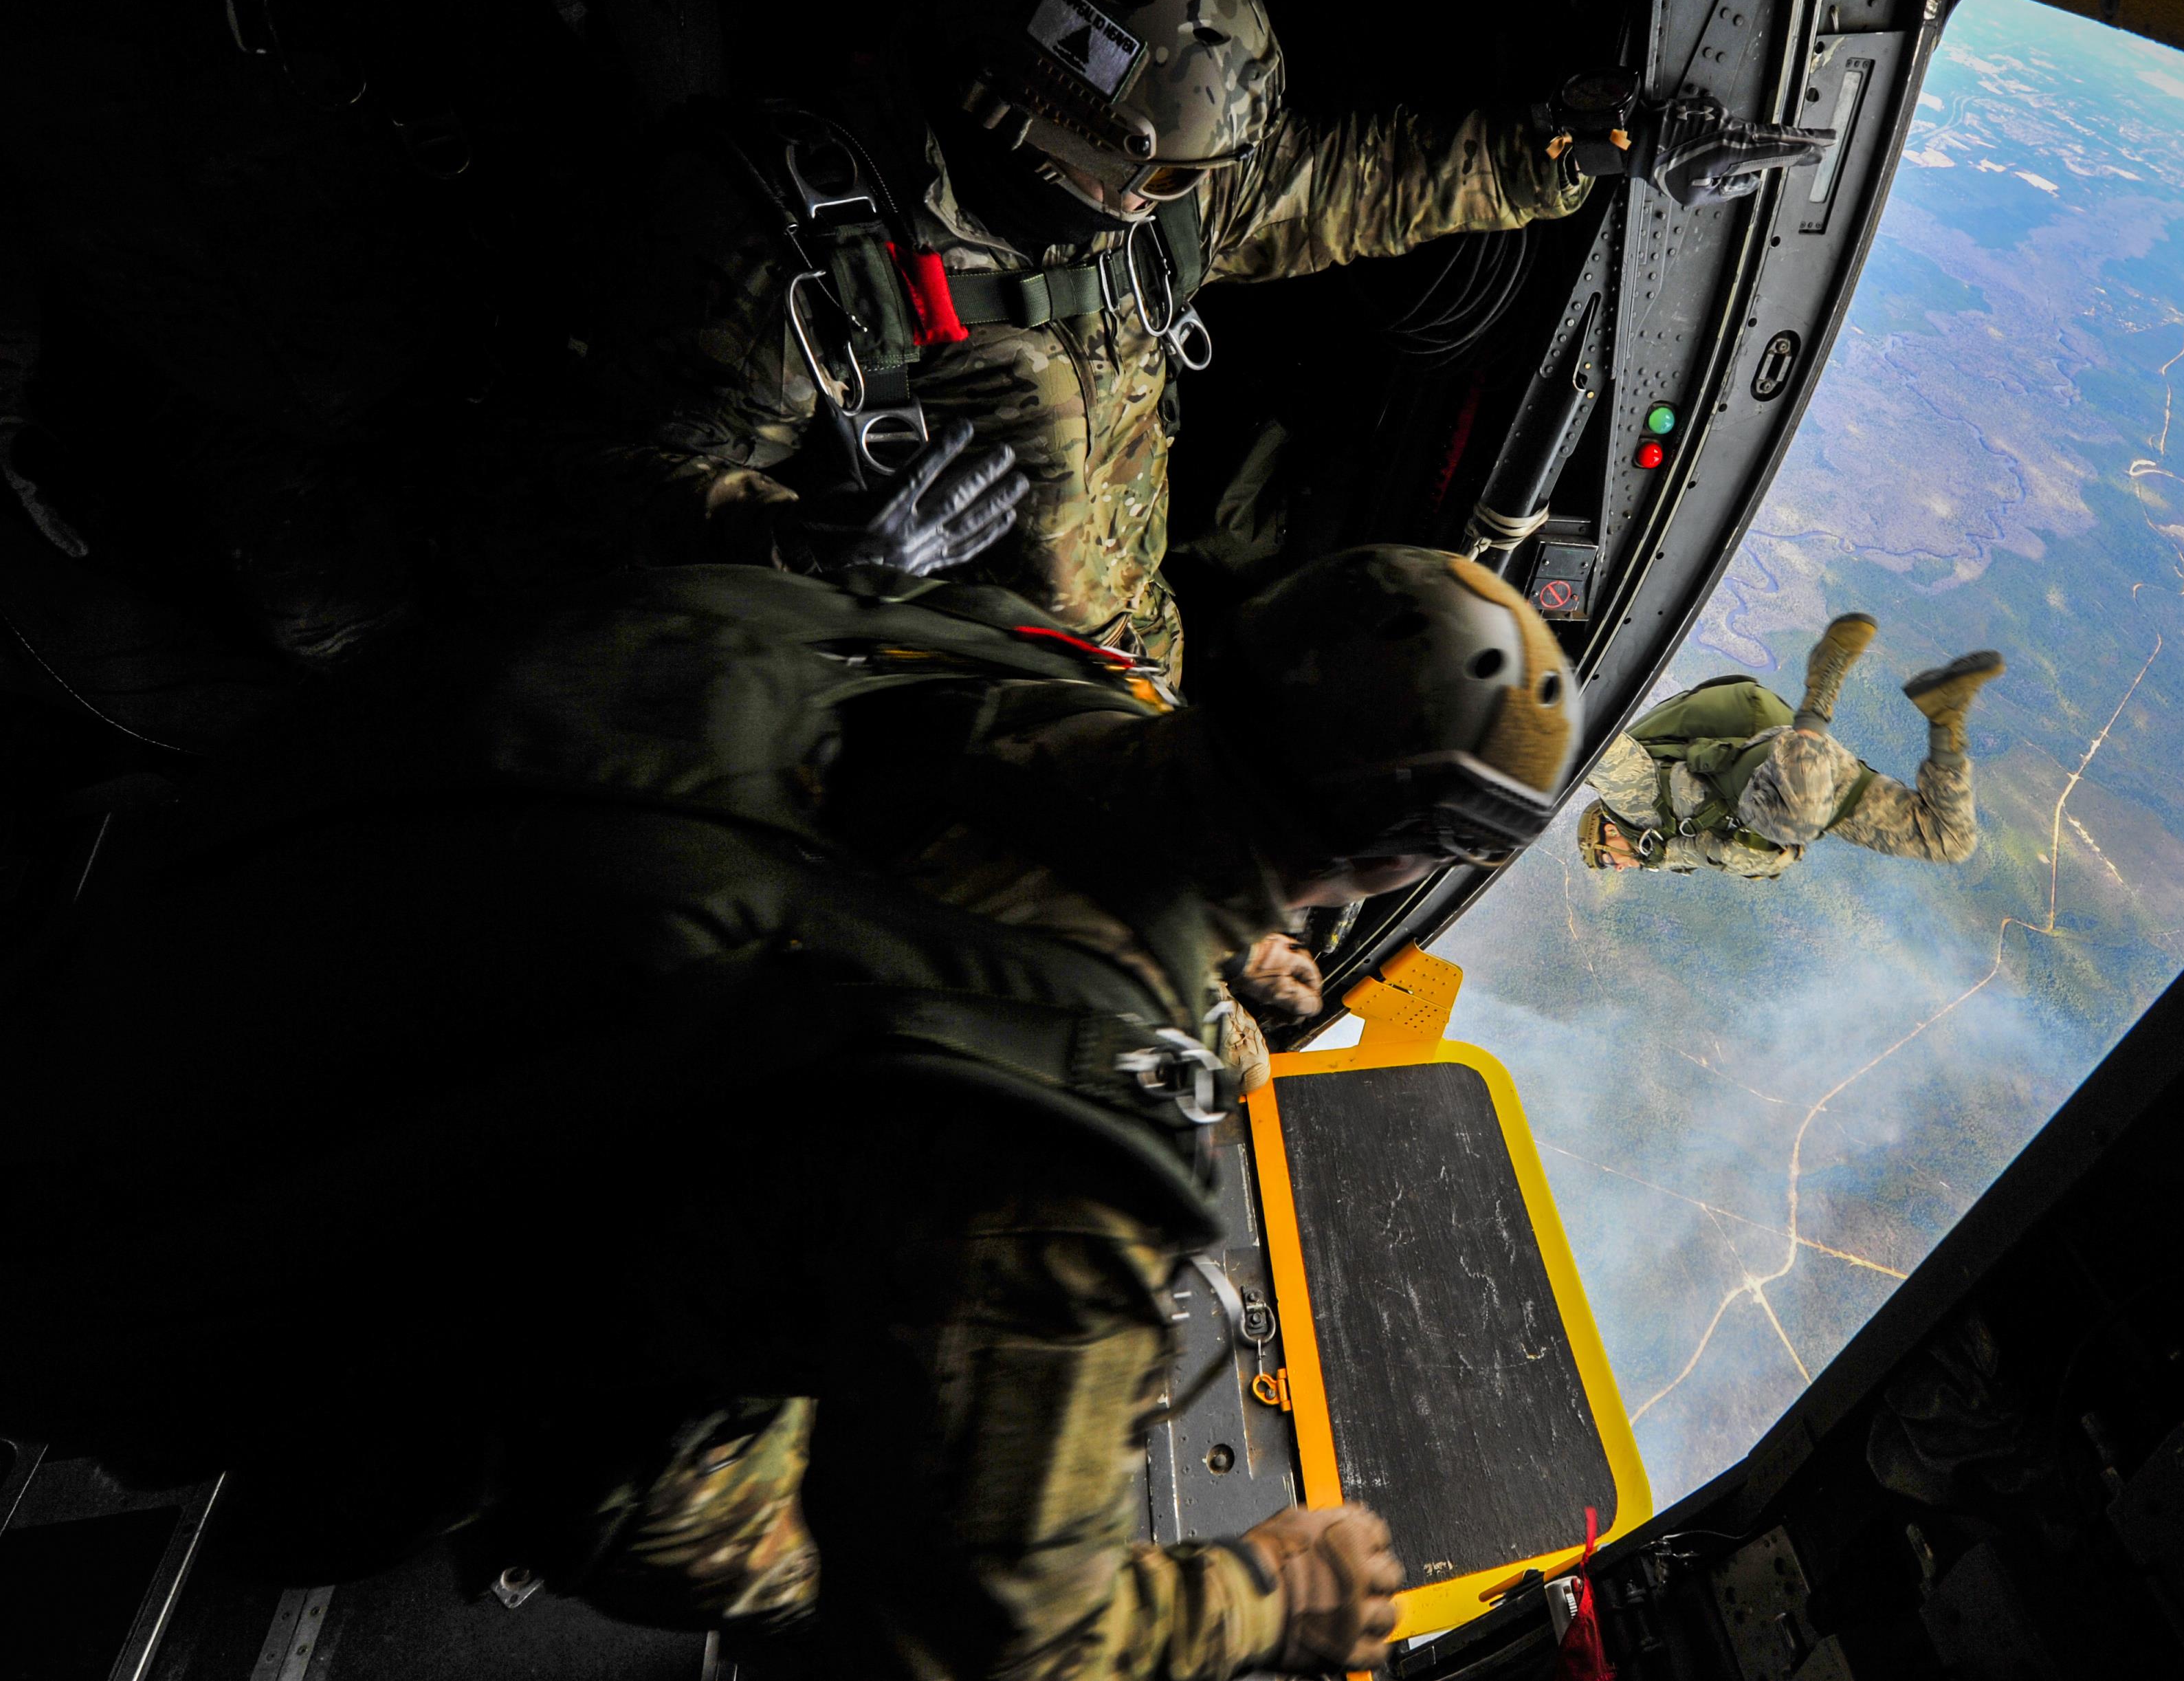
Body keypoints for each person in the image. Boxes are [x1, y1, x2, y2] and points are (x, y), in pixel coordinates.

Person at [0, 544, 1578, 1678]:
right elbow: (1001, 1631)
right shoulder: (1063, 1168)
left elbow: (974, 886)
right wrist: (1269, 1597)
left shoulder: (973, 651)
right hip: (298, 1300)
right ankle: (510, 1514)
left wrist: (1213, 962)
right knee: (801, 1540)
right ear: (1402, 856)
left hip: (157, 988)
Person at [514, 0, 1825, 679]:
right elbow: (577, 497)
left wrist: (1584, 149)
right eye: (1165, 182)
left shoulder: (1133, 214)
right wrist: (799, 548)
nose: (1188, 210)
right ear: (1036, 135)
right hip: (956, 742)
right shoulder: (782, 256)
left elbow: (1366, 179)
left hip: (1131, 676)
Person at [1576, 613, 2000, 878]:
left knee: (1797, 822)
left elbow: (1596, 750)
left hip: (1761, 770)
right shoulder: (1668, 850)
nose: (1621, 867)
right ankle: (1947, 715)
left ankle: (1825, 679)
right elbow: (1742, 856)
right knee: (1951, 842)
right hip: (1817, 788)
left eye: (1609, 859)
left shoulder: (1634, 809)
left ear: (1607, 831)